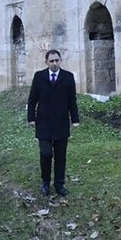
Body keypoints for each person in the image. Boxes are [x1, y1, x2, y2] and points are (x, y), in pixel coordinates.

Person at [27, 49, 80, 197]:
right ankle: (45, 181)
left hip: (61, 123)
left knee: (60, 155)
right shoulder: (39, 77)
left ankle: (59, 183)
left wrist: (75, 120)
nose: (55, 63)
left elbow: (72, 100)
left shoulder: (68, 77)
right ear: (46, 62)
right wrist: (31, 118)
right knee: (46, 153)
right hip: (43, 123)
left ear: (60, 61)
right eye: (52, 61)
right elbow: (32, 99)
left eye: (57, 60)